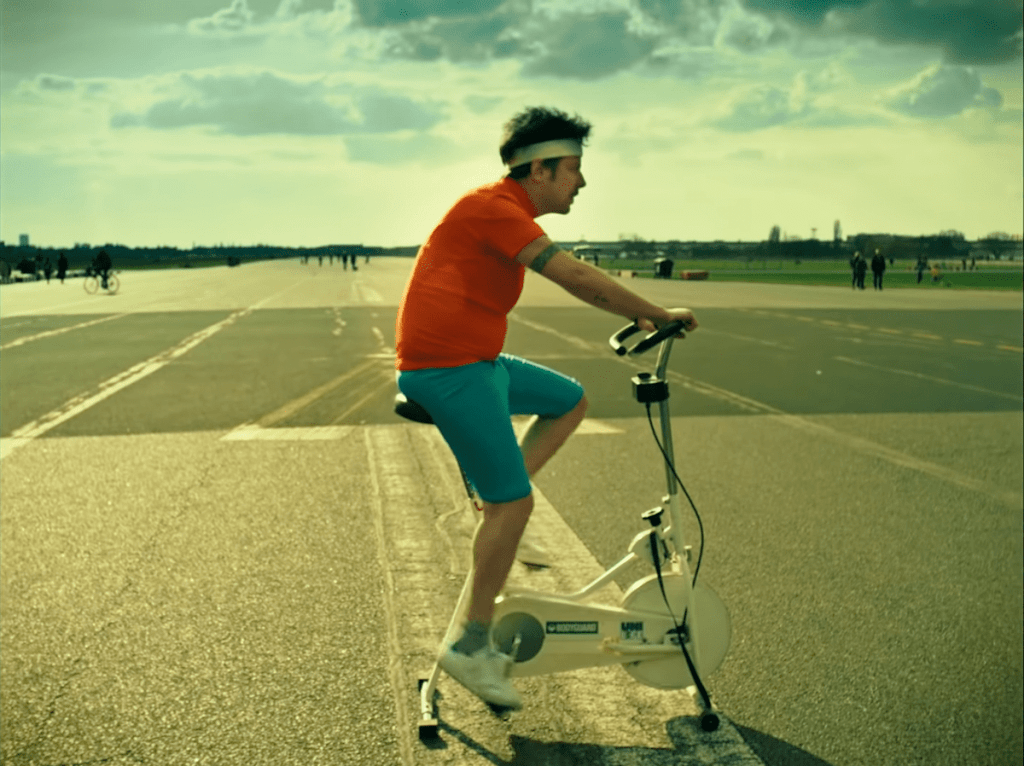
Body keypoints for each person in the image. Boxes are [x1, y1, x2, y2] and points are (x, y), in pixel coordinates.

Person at [394, 106, 697, 711]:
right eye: (573, 168)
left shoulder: (502, 209)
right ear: (539, 170)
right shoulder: (493, 208)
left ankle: (493, 503)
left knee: (568, 399)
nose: (581, 182)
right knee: (516, 504)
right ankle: (470, 645)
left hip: (478, 362)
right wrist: (653, 313)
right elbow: (574, 276)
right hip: (449, 371)